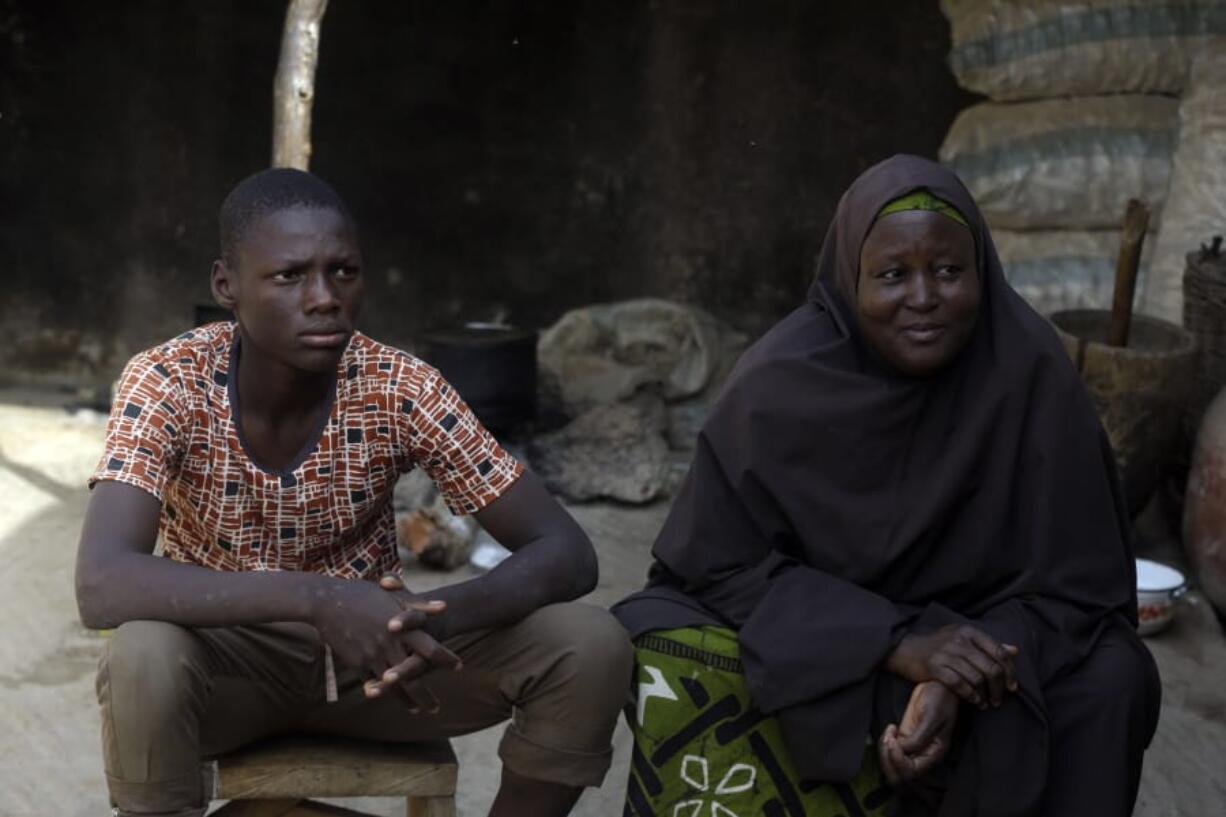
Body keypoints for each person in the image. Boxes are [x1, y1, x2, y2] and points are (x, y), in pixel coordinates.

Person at [75, 167, 633, 817]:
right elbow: (102, 582)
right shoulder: (167, 379)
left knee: (592, 644)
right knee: (143, 653)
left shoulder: (399, 385)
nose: (324, 297)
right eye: (289, 275)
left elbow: (567, 551)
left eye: (343, 271)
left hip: (382, 668)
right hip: (228, 668)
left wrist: (433, 618)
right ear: (226, 285)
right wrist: (320, 598)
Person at [614, 155, 1160, 816]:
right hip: (840, 649)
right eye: (894, 275)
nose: (924, 298)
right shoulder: (779, 384)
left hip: (995, 651)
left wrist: (958, 674)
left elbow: (1082, 586)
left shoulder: (1031, 373)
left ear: (982, 270)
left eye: (949, 271)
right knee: (661, 633)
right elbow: (710, 566)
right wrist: (897, 642)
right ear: (850, 280)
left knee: (1115, 677)